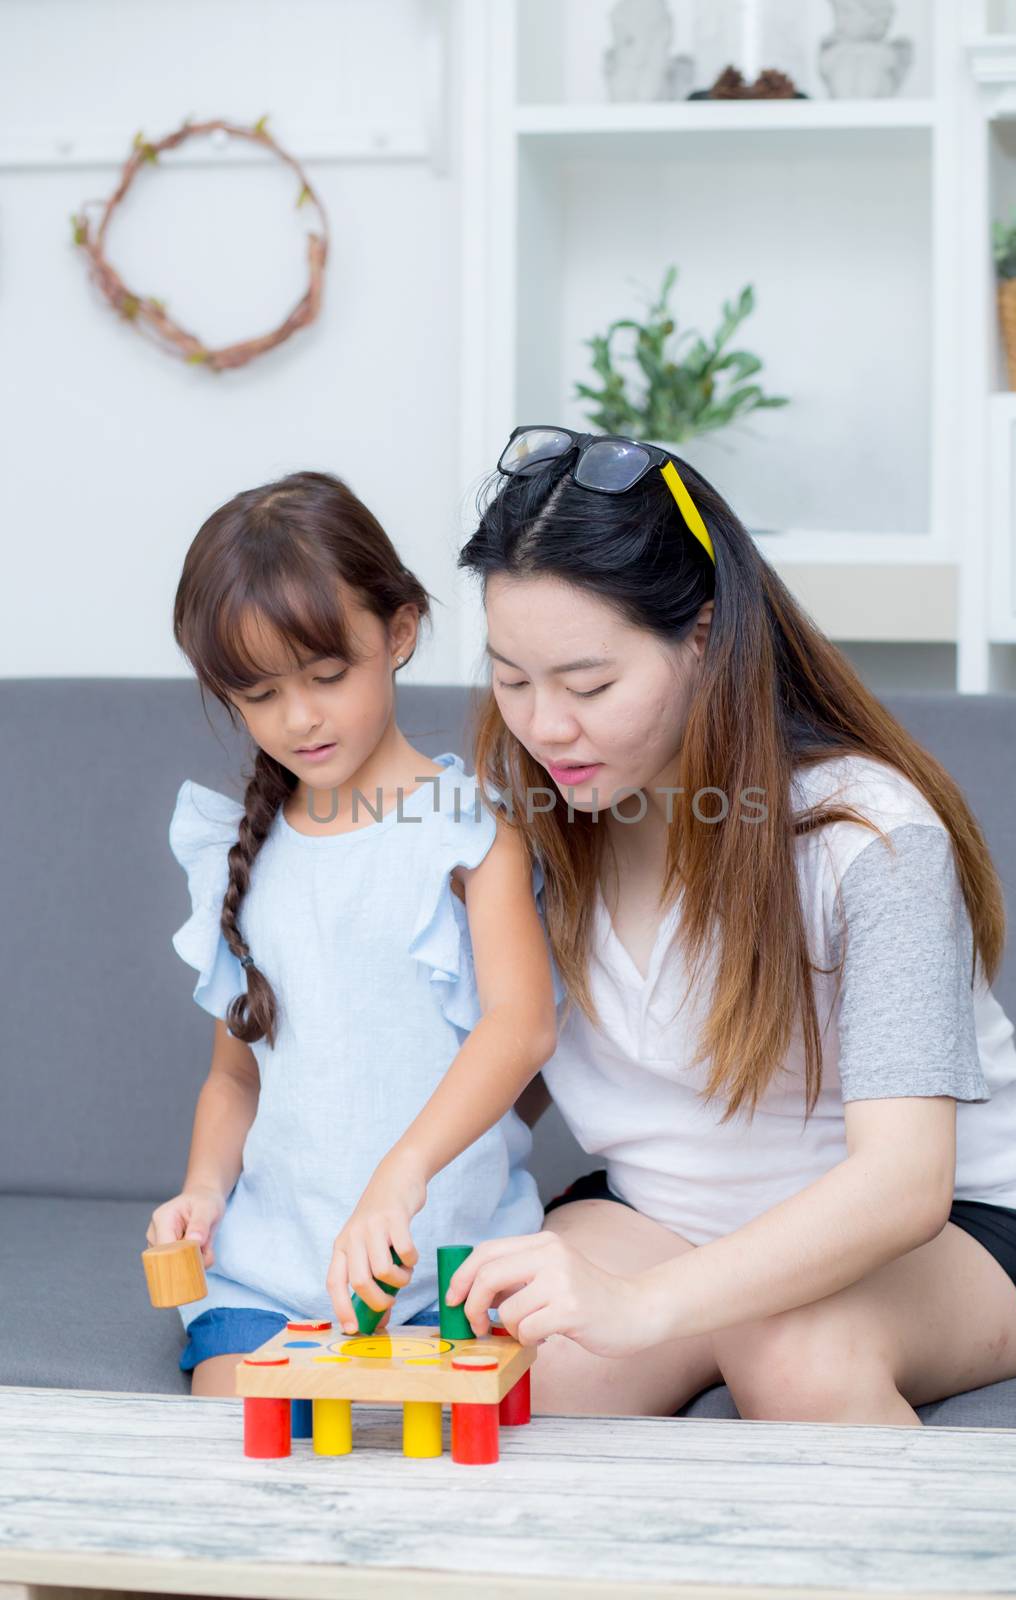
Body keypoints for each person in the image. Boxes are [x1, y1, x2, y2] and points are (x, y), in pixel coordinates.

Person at [444, 425, 1016, 1425]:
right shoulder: (526, 816)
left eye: (589, 684)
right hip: (667, 1212)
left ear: (702, 635)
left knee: (795, 1356)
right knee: (512, 1377)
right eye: (511, 680)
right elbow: (497, 1060)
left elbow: (905, 1181)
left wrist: (641, 1304)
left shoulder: (869, 836)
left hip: (940, 1225)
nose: (544, 726)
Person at [145, 469, 560, 1396]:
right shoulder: (238, 856)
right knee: (249, 1439)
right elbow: (233, 1076)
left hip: (456, 1277)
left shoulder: (468, 829)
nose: (299, 717)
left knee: (465, 1453)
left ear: (400, 633)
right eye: (258, 694)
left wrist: (398, 1174)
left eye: (328, 676)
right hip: (273, 1281)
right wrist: (204, 1192)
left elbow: (523, 1027)